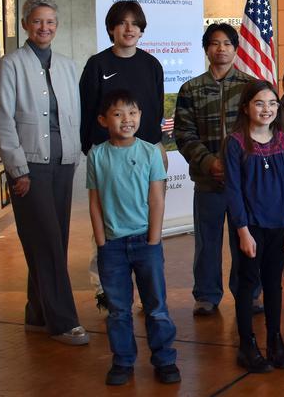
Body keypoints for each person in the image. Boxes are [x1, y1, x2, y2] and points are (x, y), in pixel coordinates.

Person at [0, 0, 88, 345]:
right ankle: (62, 322)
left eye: (50, 22)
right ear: (25, 25)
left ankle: (37, 312)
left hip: (62, 164)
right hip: (30, 165)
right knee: (46, 240)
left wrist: (75, 155)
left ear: (56, 26)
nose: (44, 27)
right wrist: (17, 170)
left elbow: (73, 114)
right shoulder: (10, 65)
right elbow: (3, 122)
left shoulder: (65, 65)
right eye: (37, 21)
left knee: (52, 240)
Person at [87, 90, 180, 386]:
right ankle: (123, 360)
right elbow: (94, 202)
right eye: (118, 114)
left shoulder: (150, 152)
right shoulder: (97, 155)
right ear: (103, 120)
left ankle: (164, 359)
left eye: (133, 113)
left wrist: (154, 241)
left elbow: (157, 199)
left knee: (156, 306)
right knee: (118, 310)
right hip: (112, 246)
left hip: (145, 242)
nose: (127, 119)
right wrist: (102, 242)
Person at [79, 0, 165, 312]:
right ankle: (107, 290)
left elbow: (154, 110)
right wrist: (93, 151)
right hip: (108, 156)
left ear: (141, 29)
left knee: (148, 215)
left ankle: (146, 288)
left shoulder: (152, 65)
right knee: (106, 220)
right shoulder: (97, 65)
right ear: (112, 28)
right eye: (122, 23)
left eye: (135, 24)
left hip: (148, 153)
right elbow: (87, 110)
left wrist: (156, 149)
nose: (129, 29)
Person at [174, 23, 254, 316]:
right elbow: (184, 134)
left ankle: (250, 292)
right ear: (206, 48)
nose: (221, 49)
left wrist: (236, 165)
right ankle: (206, 295)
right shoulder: (191, 89)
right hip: (207, 181)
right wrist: (210, 163)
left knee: (244, 239)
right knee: (207, 241)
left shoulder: (250, 86)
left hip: (243, 183)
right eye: (214, 43)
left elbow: (258, 130)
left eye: (227, 44)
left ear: (235, 49)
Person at [224, 81, 284, 373]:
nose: (266, 109)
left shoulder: (283, 141)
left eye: (271, 103)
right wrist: (242, 230)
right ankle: (247, 345)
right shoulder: (236, 143)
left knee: (273, 285)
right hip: (251, 227)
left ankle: (275, 341)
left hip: (279, 225)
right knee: (247, 286)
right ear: (246, 107)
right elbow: (233, 190)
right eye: (258, 103)